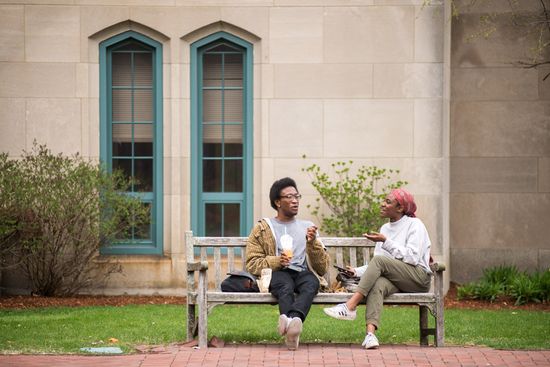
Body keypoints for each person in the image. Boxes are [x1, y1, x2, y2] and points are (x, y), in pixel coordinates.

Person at [323, 188, 432, 349]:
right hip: (397, 278)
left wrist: (385, 241)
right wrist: (356, 271)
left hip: (418, 278)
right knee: (378, 284)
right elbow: (378, 264)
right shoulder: (385, 229)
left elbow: (412, 258)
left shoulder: (415, 225)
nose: (382, 204)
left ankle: (350, 306)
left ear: (400, 208)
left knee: (381, 262)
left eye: (388, 202)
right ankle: (370, 335)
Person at [246, 177, 330, 350]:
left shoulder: (308, 227)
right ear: (277, 202)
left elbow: (322, 268)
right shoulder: (263, 228)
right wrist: (277, 261)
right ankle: (293, 327)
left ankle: (291, 321)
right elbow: (252, 263)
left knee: (312, 283)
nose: (295, 201)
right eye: (289, 197)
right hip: (278, 273)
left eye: (297, 196)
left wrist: (313, 242)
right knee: (285, 285)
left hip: (301, 272)